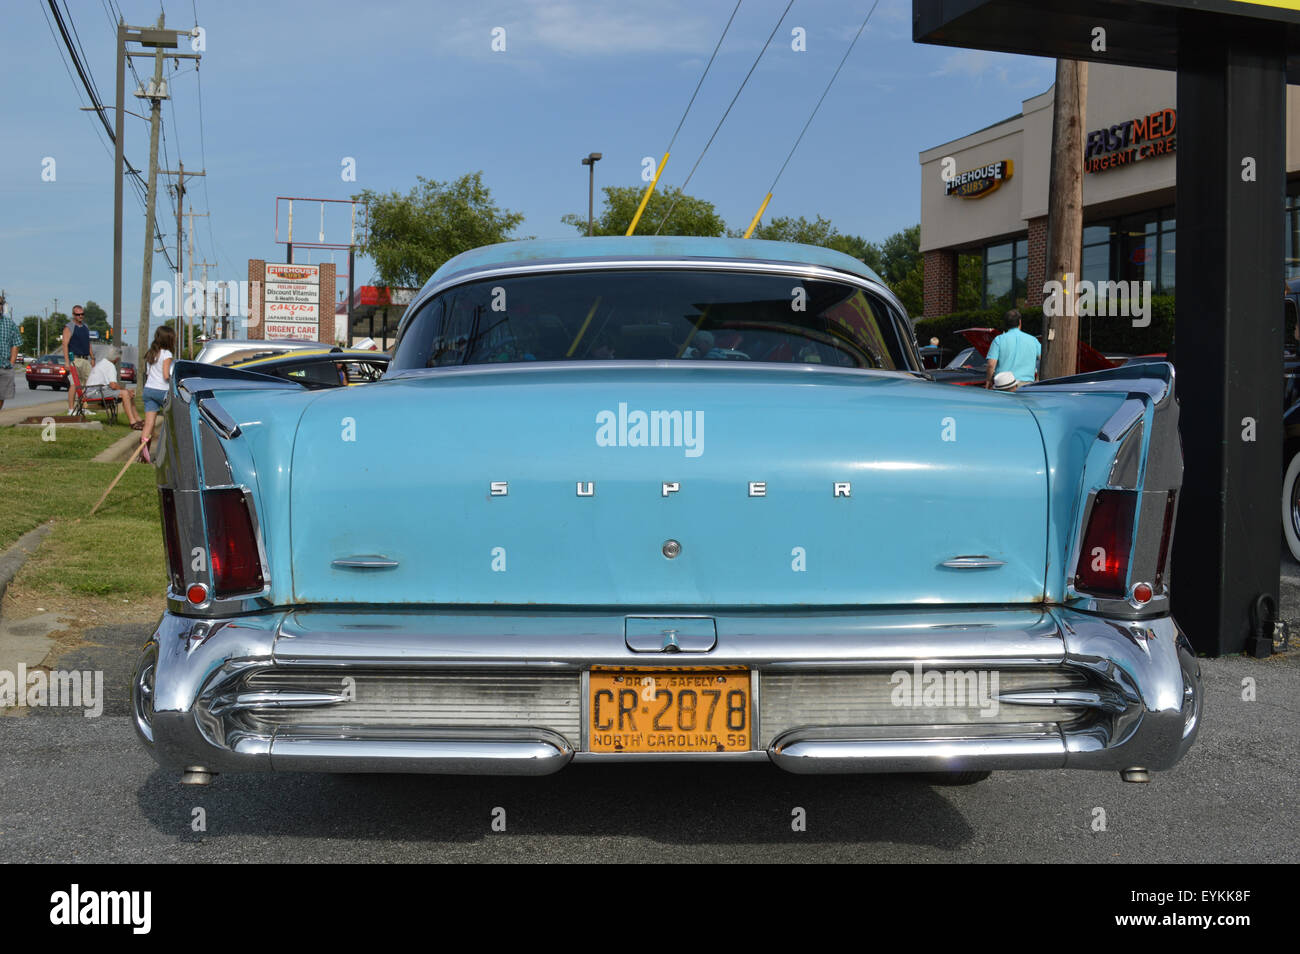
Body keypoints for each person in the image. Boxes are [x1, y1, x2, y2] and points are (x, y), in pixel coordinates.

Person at [140, 325, 176, 461]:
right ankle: (167, 453)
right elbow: (166, 375)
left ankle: (143, 454)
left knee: (148, 424)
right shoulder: (167, 354)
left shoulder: (151, 353)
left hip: (148, 390)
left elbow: (149, 373)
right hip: (162, 391)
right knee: (171, 420)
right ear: (169, 339)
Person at [84, 346, 143, 428]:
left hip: (93, 391)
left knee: (127, 393)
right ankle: (133, 422)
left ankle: (138, 419)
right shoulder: (110, 366)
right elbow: (113, 385)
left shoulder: (102, 363)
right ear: (116, 358)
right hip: (95, 392)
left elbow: (111, 385)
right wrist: (125, 390)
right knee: (125, 394)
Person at [985, 308, 1040, 389]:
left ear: (1005, 324)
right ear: (1020, 322)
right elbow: (1044, 360)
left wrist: (988, 381)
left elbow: (991, 365)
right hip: (1027, 386)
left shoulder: (998, 340)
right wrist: (1038, 379)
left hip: (1003, 386)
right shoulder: (1033, 340)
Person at [62, 305, 94, 413]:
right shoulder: (69, 327)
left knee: (87, 385)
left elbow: (88, 344)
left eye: (82, 314)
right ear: (73, 315)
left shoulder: (85, 327)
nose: (80, 316)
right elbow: (65, 344)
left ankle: (84, 408)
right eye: (78, 314)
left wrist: (92, 357)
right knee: (74, 384)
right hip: (74, 359)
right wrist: (67, 362)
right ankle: (71, 409)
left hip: (85, 359)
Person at [0, 308, 19, 410]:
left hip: (4, 366)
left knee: (2, 396)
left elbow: (16, 343)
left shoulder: (9, 323)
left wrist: (12, 362)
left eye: (0, 304)